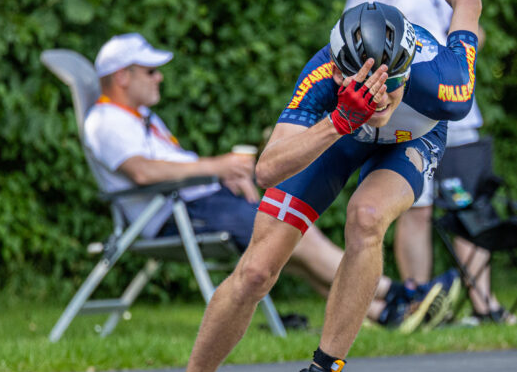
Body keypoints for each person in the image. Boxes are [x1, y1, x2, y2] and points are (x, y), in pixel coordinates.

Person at [90, 0, 481, 372]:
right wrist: (340, 119)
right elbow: (268, 168)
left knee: (366, 218)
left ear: (405, 72)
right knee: (255, 271)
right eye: (359, 84)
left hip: (411, 141)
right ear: (338, 70)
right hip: (339, 129)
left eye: (386, 87)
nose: (375, 96)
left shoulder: (447, 84)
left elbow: (468, 1)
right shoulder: (322, 76)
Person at [84, 32, 451, 331]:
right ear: (122, 77)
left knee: (290, 249)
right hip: (175, 212)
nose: (159, 77)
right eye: (150, 71)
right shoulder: (107, 121)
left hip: (200, 203)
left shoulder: (140, 117)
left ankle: (380, 314)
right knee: (291, 232)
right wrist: (219, 167)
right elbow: (143, 173)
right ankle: (397, 293)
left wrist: (222, 175)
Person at [345, 0, 515, 324]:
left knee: (469, 205)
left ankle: (484, 305)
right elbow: (356, 41)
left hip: (458, 108)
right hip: (406, 112)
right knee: (416, 209)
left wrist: (463, 41)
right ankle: (420, 302)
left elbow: (469, 32)